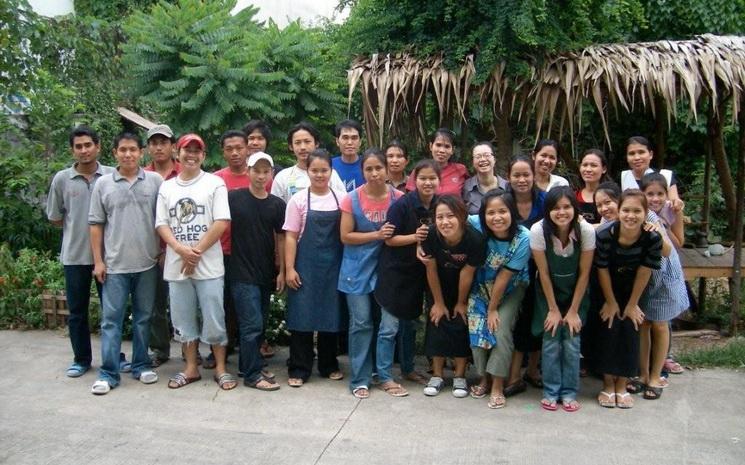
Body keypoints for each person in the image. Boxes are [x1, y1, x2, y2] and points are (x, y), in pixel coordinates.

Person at [155, 133, 236, 391]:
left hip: (209, 265)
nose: (191, 155)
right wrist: (181, 250)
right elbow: (161, 224)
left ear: (203, 155)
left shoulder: (214, 184)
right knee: (182, 318)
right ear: (177, 154)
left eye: (196, 151)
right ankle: (190, 368)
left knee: (214, 316)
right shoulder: (166, 187)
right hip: (177, 265)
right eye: (186, 150)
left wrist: (196, 252)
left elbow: (222, 221)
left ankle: (221, 369)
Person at [88, 132, 162, 395]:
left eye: (133, 149)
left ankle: (141, 365)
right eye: (123, 150)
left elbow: (161, 222)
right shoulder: (103, 184)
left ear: (141, 152)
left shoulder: (154, 181)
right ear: (115, 153)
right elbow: (96, 225)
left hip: (147, 264)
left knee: (143, 318)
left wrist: (162, 251)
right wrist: (98, 261)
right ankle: (109, 373)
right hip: (114, 266)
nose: (128, 154)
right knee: (111, 320)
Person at [47, 126, 115, 378]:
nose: (84, 150)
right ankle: (82, 359)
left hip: (108, 258)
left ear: (98, 146)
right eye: (79, 146)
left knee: (111, 311)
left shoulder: (111, 175)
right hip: (75, 257)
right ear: (72, 150)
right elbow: (55, 217)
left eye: (88, 145)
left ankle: (113, 356)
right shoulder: (62, 179)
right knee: (77, 312)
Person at [339, 149, 404, 398]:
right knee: (362, 323)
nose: (375, 173)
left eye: (379, 168)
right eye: (369, 169)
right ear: (362, 171)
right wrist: (376, 235)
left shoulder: (399, 199)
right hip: (355, 270)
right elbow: (345, 236)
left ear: (387, 170)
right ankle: (360, 379)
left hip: (389, 271)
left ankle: (385, 376)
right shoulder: (351, 199)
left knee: (388, 325)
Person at [375, 160, 441, 388]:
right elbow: (388, 238)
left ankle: (408, 369)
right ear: (414, 180)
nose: (428, 182)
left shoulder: (439, 205)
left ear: (439, 181)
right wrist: (415, 237)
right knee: (389, 328)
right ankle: (384, 376)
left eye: (432, 178)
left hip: (419, 274)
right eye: (423, 178)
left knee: (410, 326)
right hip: (395, 274)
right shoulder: (401, 205)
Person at [284, 149, 346, 386]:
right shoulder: (298, 200)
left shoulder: (342, 198)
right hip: (304, 266)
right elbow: (290, 236)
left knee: (331, 315)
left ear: (331, 171)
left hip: (334, 266)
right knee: (302, 315)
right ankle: (299, 368)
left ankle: (329, 364)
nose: (320, 175)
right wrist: (290, 268)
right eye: (314, 170)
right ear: (307, 171)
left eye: (324, 170)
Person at [595, 189, 662, 409]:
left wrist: (633, 303)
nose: (630, 216)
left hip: (635, 289)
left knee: (630, 328)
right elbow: (602, 268)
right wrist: (611, 301)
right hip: (606, 289)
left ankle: (622, 384)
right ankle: (607, 383)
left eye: (637, 211)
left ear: (646, 213)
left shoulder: (652, 238)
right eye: (626, 210)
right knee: (609, 328)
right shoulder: (605, 235)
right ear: (618, 211)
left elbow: (646, 269)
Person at [530, 186, 595, 412]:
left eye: (567, 207)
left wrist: (574, 310)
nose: (562, 212)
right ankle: (550, 391)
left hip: (576, 292)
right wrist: (553, 309)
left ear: (575, 209)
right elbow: (544, 273)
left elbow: (585, 273)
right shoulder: (538, 231)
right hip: (548, 294)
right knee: (551, 338)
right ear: (547, 210)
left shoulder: (585, 231)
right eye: (556, 208)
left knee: (571, 339)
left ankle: (568, 392)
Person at [466, 190, 530, 409]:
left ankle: (497, 384)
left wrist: (493, 309)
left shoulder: (523, 237)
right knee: (477, 328)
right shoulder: (475, 223)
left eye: (502, 211)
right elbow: (450, 219)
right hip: (479, 287)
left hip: (511, 288)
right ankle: (483, 378)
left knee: (499, 330)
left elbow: (505, 276)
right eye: (490, 212)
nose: (496, 217)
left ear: (512, 211)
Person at [227, 152, 285, 391]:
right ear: (248, 171)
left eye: (266, 171)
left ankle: (248, 365)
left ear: (271, 174)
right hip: (240, 271)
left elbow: (281, 238)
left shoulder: (276, 204)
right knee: (251, 324)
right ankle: (252, 375)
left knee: (258, 324)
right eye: (257, 171)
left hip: (264, 272)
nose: (261, 176)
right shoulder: (233, 198)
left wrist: (281, 270)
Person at [628, 174, 689, 400]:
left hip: (665, 281)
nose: (654, 198)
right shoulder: (639, 214)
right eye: (649, 194)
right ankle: (643, 374)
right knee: (643, 326)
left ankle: (655, 375)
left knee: (660, 326)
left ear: (667, 196)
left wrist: (656, 232)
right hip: (647, 282)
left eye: (659, 194)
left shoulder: (655, 220)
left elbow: (666, 250)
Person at [420, 195, 485, 397]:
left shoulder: (474, 239)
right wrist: (438, 302)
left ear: (462, 216)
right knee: (436, 320)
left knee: (460, 322)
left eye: (450, 216)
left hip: (464, 286)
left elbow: (467, 272)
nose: (445, 222)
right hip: (437, 283)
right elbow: (430, 267)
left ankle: (459, 376)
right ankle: (437, 375)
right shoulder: (431, 235)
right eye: (440, 217)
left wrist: (460, 302)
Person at [504, 156, 545, 396]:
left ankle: (532, 369)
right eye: (516, 175)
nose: (521, 180)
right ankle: (514, 373)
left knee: (535, 316)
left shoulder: (544, 200)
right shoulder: (504, 200)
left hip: (540, 269)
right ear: (508, 177)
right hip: (510, 269)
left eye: (526, 175)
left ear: (534, 175)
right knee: (516, 321)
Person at [212, 130, 251, 365]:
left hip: (250, 252)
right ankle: (221, 348)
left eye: (239, 147)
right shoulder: (215, 180)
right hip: (221, 250)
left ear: (247, 149)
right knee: (222, 302)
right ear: (223, 152)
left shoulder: (260, 176)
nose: (235, 153)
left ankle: (249, 349)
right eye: (229, 148)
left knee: (247, 303)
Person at [144, 124, 179, 368]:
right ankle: (160, 348)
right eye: (154, 143)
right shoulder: (141, 176)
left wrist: (171, 250)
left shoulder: (186, 172)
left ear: (172, 146)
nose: (159, 147)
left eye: (163, 142)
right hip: (151, 252)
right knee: (155, 304)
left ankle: (192, 347)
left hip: (182, 251)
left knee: (187, 302)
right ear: (147, 149)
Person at [271, 122, 345, 203]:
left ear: (316, 143)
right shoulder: (282, 177)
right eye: (297, 143)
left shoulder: (331, 175)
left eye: (307, 141)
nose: (303, 147)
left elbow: (344, 203)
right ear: (291, 146)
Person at [621, 136, 683, 210]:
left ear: (650, 155)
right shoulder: (623, 177)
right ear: (627, 157)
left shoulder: (666, 176)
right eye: (631, 153)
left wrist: (677, 204)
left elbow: (675, 204)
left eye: (641, 152)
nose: (637, 157)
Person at [405, 128, 468, 195]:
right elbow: (411, 199)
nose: (442, 150)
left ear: (452, 150)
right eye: (438, 145)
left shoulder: (461, 170)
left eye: (447, 146)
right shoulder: (420, 170)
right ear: (431, 146)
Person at [462, 141, 508, 214]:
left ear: (494, 159)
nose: (483, 159)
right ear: (472, 162)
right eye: (478, 156)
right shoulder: (466, 187)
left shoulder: (507, 187)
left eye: (487, 155)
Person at [576, 149, 609, 224]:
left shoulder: (612, 197)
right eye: (584, 165)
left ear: (604, 169)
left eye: (593, 165)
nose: (588, 169)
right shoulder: (573, 196)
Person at [332, 119, 365, 192]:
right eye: (345, 138)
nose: (350, 142)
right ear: (337, 141)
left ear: (360, 142)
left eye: (354, 138)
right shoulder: (329, 166)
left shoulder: (368, 165)